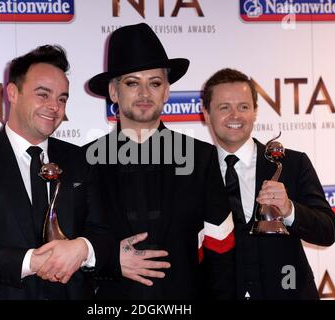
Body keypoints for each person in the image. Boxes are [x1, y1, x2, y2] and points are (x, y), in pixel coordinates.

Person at [0, 45, 113, 299]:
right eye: (43, 95)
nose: (55, 107)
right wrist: (30, 261)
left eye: (62, 98)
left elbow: (104, 233)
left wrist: (83, 248)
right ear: (12, 93)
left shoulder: (81, 160)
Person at [85, 23, 235, 299]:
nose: (145, 94)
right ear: (114, 92)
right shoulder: (83, 163)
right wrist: (109, 262)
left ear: (166, 92)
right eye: (132, 83)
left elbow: (221, 253)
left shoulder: (201, 158)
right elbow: (74, 250)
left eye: (154, 83)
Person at [201, 68, 335, 299]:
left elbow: (327, 231)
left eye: (243, 107)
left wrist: (289, 210)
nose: (235, 115)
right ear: (206, 113)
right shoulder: (193, 172)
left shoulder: (293, 163)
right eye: (224, 107)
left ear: (255, 112)